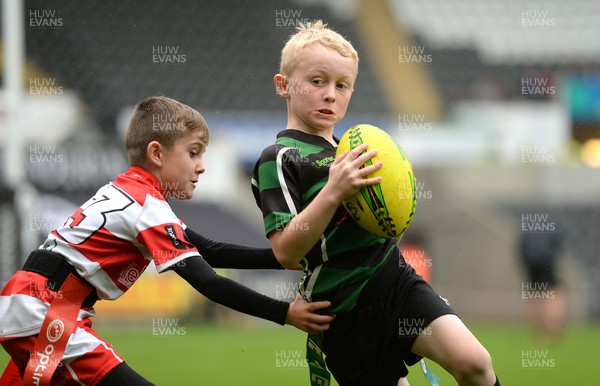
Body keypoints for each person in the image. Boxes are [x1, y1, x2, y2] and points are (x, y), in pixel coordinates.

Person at [0, 96, 334, 386]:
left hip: (37, 303)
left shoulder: (128, 192)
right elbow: (208, 282)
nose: (202, 167)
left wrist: (284, 256)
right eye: (193, 153)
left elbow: (208, 250)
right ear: (157, 153)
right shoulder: (149, 206)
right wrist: (285, 313)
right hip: (47, 309)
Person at [251, 20, 501, 386]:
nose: (330, 95)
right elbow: (286, 252)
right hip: (343, 311)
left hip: (395, 280)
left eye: (342, 85)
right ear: (283, 85)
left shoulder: (351, 149)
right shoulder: (279, 158)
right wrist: (334, 190)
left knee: (475, 362)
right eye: (317, 81)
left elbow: (379, 224)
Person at [519, 226, 565, 345]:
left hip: (531, 261)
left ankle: (537, 333)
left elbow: (521, 248)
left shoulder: (529, 227)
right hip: (545, 259)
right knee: (553, 291)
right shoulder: (552, 223)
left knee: (535, 293)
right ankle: (552, 329)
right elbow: (557, 245)